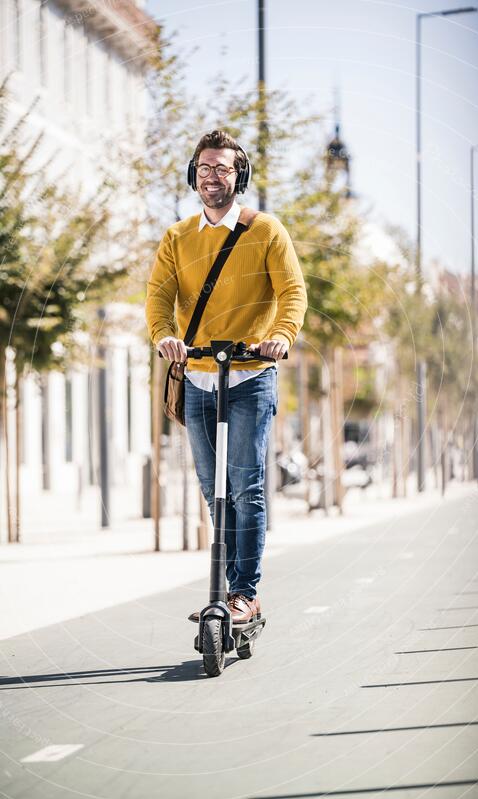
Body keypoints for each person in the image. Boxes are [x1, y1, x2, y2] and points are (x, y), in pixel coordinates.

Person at [145, 129, 307, 623]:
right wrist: (164, 336)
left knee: (245, 486)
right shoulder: (177, 237)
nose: (213, 176)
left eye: (223, 168)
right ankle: (228, 586)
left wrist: (280, 335)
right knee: (212, 486)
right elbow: (158, 298)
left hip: (250, 376)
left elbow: (293, 292)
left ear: (240, 175)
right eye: (205, 167)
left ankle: (244, 592)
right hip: (196, 377)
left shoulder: (266, 230)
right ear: (193, 175)